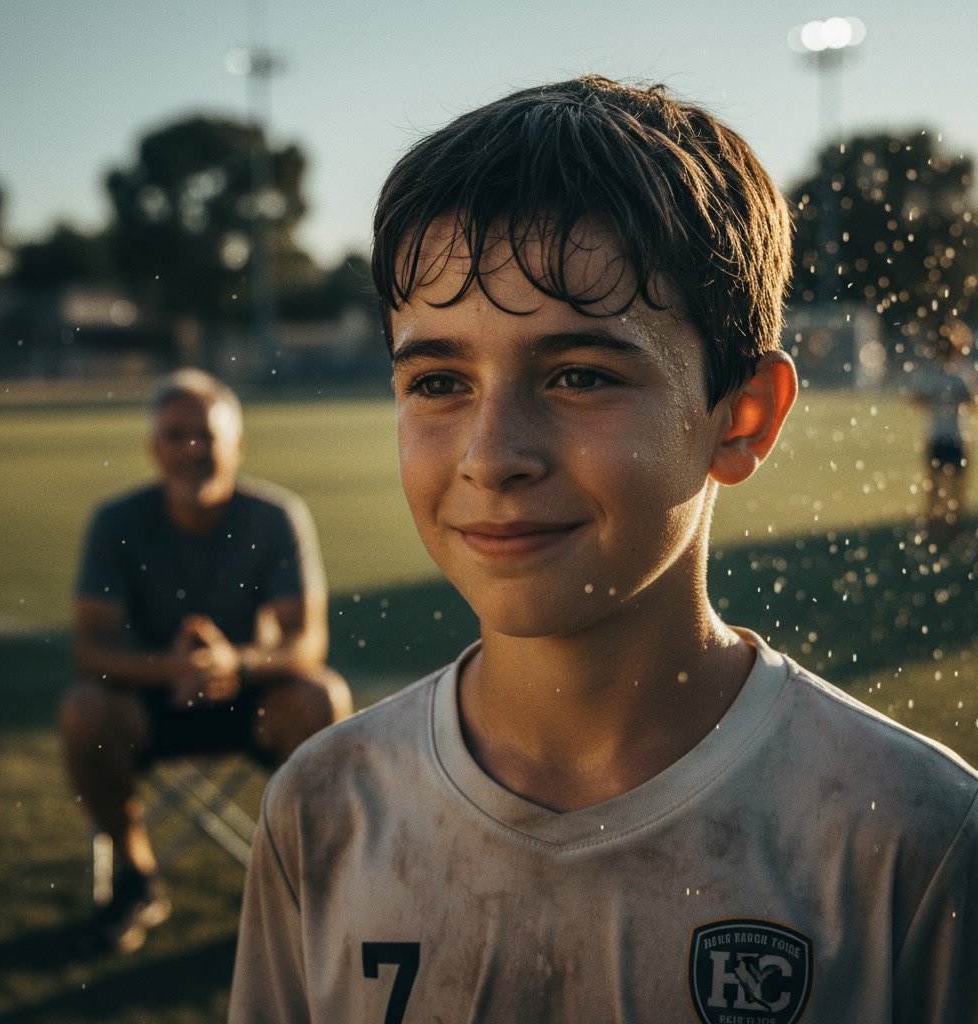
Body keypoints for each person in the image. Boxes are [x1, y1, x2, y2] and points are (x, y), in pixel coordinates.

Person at [229, 76, 978, 1022]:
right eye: (438, 382)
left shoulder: (910, 840)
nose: (493, 456)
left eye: (580, 375)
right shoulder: (323, 811)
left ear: (742, 419)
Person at [60, 368, 351, 953]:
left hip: (250, 698)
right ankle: (136, 874)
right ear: (154, 448)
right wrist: (175, 669)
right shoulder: (117, 521)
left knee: (323, 696)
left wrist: (233, 663)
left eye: (207, 435)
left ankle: (309, 879)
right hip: (151, 704)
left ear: (237, 445)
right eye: (177, 435)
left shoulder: (274, 516)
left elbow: (306, 643)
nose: (193, 449)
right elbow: (92, 649)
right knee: (84, 711)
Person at [913, 319, 976, 543]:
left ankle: (935, 527)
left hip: (941, 435)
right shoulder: (960, 374)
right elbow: (972, 401)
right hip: (953, 435)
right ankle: (950, 527)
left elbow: (918, 399)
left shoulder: (936, 374)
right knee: (951, 486)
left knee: (937, 485)